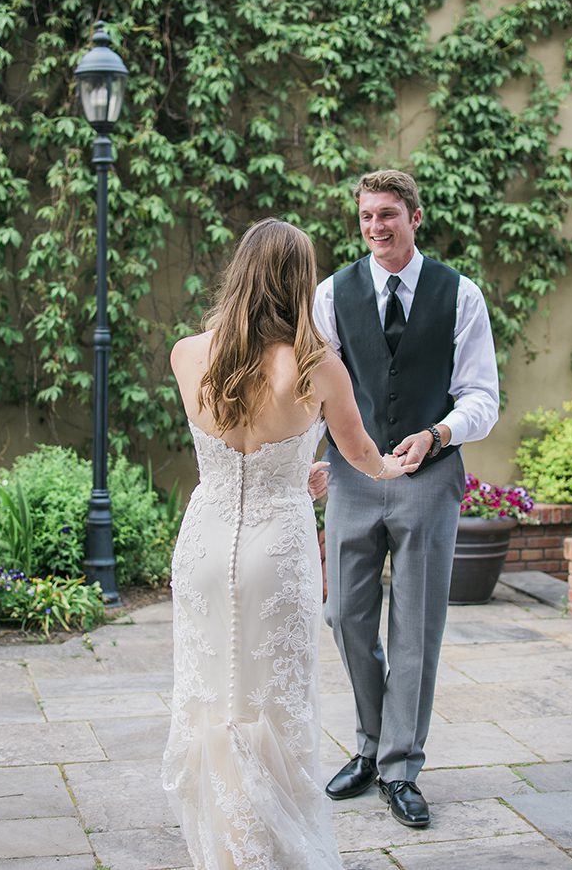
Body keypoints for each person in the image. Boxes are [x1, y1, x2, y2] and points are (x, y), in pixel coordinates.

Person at [162, 218, 413, 869]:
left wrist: (278, 467)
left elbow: (236, 450)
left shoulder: (188, 354)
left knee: (213, 689)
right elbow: (359, 452)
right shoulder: (317, 366)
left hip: (206, 545)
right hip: (278, 548)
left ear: (240, 273)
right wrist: (392, 467)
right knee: (276, 697)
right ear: (301, 282)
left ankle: (223, 846)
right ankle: (273, 849)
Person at [313, 169, 499, 829]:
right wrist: (313, 455)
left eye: (388, 214)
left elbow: (483, 396)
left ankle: (398, 765)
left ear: (415, 218)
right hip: (353, 479)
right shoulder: (331, 293)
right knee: (344, 616)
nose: (374, 227)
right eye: (365, 216)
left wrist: (437, 432)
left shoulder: (461, 294)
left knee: (417, 627)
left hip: (428, 477)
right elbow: (318, 391)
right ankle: (369, 742)